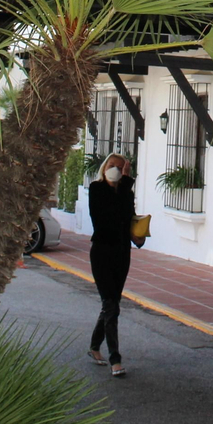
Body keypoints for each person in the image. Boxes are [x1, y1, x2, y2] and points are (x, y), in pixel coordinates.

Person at [86, 153, 135, 377]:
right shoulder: (97, 189)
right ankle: (115, 359)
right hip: (102, 253)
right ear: (105, 167)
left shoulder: (126, 192)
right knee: (111, 305)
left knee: (111, 303)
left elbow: (128, 218)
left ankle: (94, 347)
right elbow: (105, 218)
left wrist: (138, 236)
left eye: (120, 167)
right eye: (112, 166)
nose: (115, 170)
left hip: (122, 253)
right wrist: (124, 186)